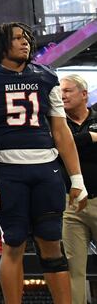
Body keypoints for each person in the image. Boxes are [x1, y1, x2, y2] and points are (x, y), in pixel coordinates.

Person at [0, 22, 87, 304]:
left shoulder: (46, 76)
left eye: (27, 38)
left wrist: (77, 179)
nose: (26, 43)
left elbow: (61, 131)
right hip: (8, 170)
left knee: (52, 244)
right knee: (14, 243)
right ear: (1, 44)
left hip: (46, 169)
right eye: (18, 38)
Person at [60, 74, 97, 304]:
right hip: (70, 204)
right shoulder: (56, 122)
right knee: (74, 270)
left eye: (67, 91)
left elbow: (69, 145)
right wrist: (91, 138)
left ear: (84, 94)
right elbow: (59, 147)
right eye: (60, 92)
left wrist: (74, 142)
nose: (62, 95)